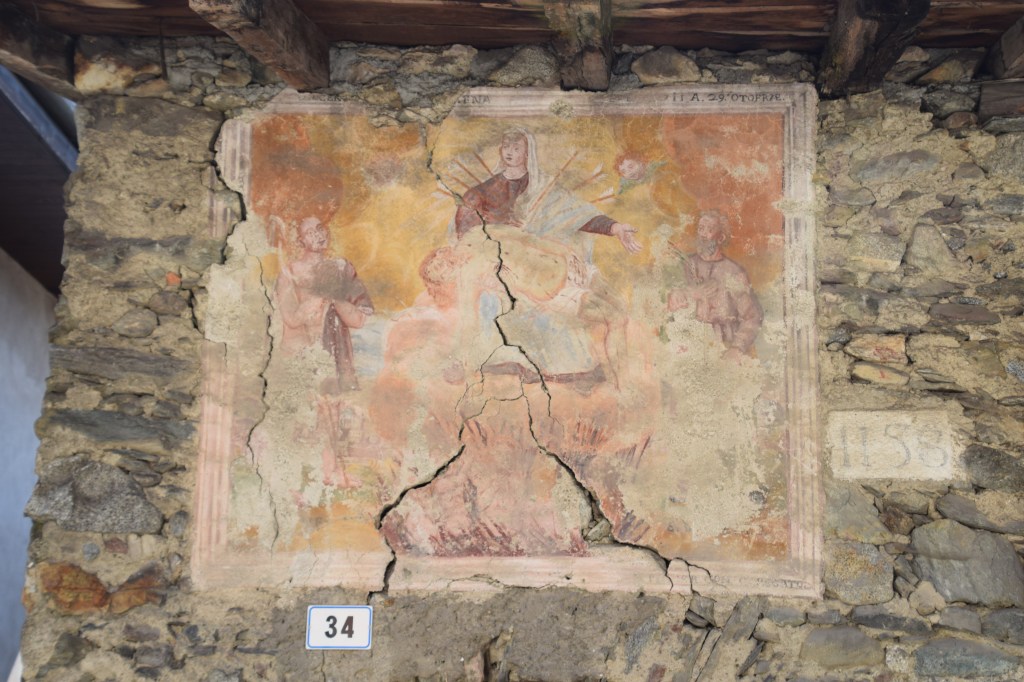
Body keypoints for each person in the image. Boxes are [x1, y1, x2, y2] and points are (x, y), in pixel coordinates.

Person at [276, 216, 374, 391]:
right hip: (304, 353)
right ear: (300, 241)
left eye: (320, 228)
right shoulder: (290, 272)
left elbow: (359, 320)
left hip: (338, 356)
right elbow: (290, 320)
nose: (318, 235)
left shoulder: (342, 267)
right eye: (310, 232)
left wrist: (334, 297)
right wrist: (319, 297)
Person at [668, 210, 762, 360]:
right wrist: (683, 294)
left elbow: (752, 317)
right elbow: (663, 301)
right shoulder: (686, 265)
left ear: (721, 237)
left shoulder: (734, 272)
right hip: (689, 346)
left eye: (709, 230)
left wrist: (736, 348)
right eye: (701, 228)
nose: (703, 234)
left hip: (723, 346)